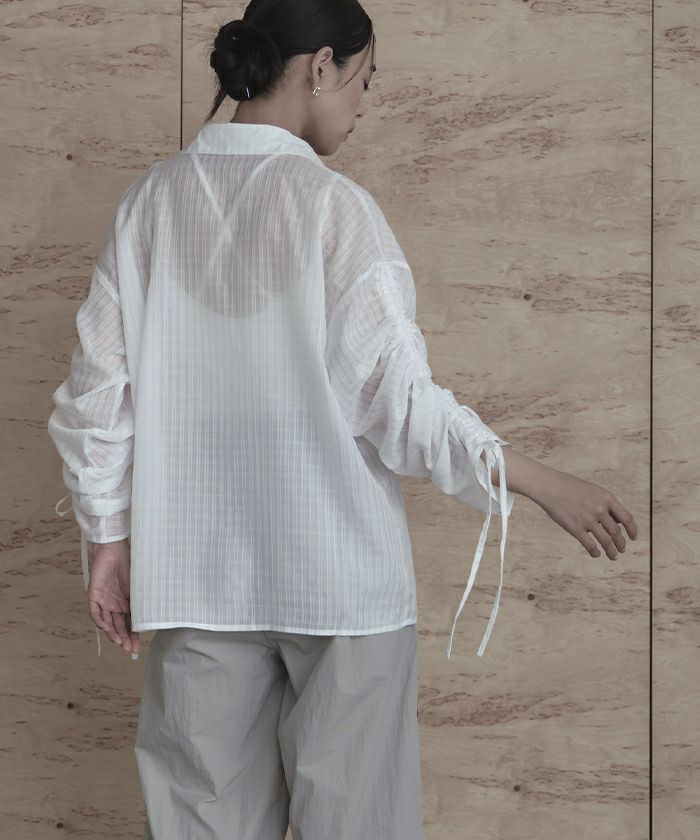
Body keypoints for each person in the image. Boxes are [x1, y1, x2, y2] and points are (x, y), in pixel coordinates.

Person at [47, 1, 638, 838]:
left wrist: (110, 538)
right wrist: (539, 481)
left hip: (193, 577)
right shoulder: (334, 209)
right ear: (320, 67)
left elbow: (96, 394)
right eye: (365, 79)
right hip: (340, 582)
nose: (364, 104)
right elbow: (397, 404)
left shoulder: (150, 204)